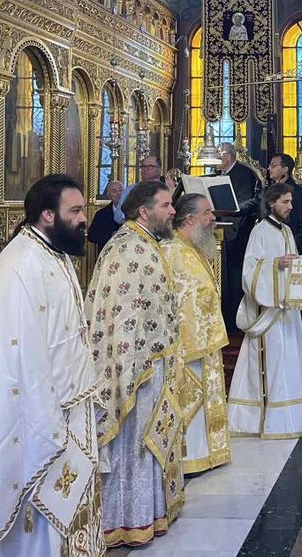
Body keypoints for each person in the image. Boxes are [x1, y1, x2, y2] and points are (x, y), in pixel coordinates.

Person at [0, 175, 104, 557]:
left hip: (71, 406)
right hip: (42, 415)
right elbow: (18, 358)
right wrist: (48, 423)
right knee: (41, 519)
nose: (83, 219)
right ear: (47, 214)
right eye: (75, 211)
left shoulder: (54, 254)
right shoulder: (20, 265)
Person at [87, 180, 184, 547]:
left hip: (152, 363)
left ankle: (150, 513)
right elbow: (121, 317)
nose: (172, 211)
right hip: (135, 370)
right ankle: (127, 519)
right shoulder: (127, 249)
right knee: (134, 443)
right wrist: (130, 369)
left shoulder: (144, 243)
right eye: (166, 205)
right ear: (144, 211)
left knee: (149, 440)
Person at [227, 183, 302, 439]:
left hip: (287, 312)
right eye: (285, 202)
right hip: (269, 313)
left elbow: (293, 265)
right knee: (273, 362)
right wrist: (276, 264)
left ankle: (291, 418)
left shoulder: (287, 231)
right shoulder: (259, 231)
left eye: (291, 201)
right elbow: (249, 272)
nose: (290, 206)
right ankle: (268, 421)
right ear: (272, 203)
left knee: (289, 361)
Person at [162, 194, 231, 474]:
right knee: (191, 399)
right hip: (188, 346)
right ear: (190, 219)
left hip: (204, 341)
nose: (213, 218)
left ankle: (207, 454)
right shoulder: (172, 251)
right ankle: (192, 458)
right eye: (207, 213)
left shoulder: (191, 248)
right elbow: (178, 300)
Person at [217, 143, 262, 333]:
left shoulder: (244, 174)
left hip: (238, 233)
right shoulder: (219, 174)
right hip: (222, 232)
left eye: (218, 156)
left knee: (235, 279)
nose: (216, 160)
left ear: (228, 157)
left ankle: (234, 321)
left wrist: (228, 212)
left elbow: (245, 204)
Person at [268, 152, 302, 254]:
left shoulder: (298, 193)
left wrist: (290, 247)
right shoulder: (267, 190)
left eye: (273, 165)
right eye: (269, 165)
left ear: (285, 169)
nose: (269, 169)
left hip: (292, 248)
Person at [113, 155, 163, 225]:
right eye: (143, 166)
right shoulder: (130, 190)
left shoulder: (167, 190)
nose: (145, 169)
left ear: (159, 169)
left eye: (150, 166)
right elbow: (118, 216)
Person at [88, 179, 125, 250]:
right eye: (114, 191)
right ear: (109, 195)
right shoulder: (101, 214)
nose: (118, 194)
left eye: (121, 190)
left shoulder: (134, 211)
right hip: (108, 252)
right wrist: (111, 235)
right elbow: (91, 236)